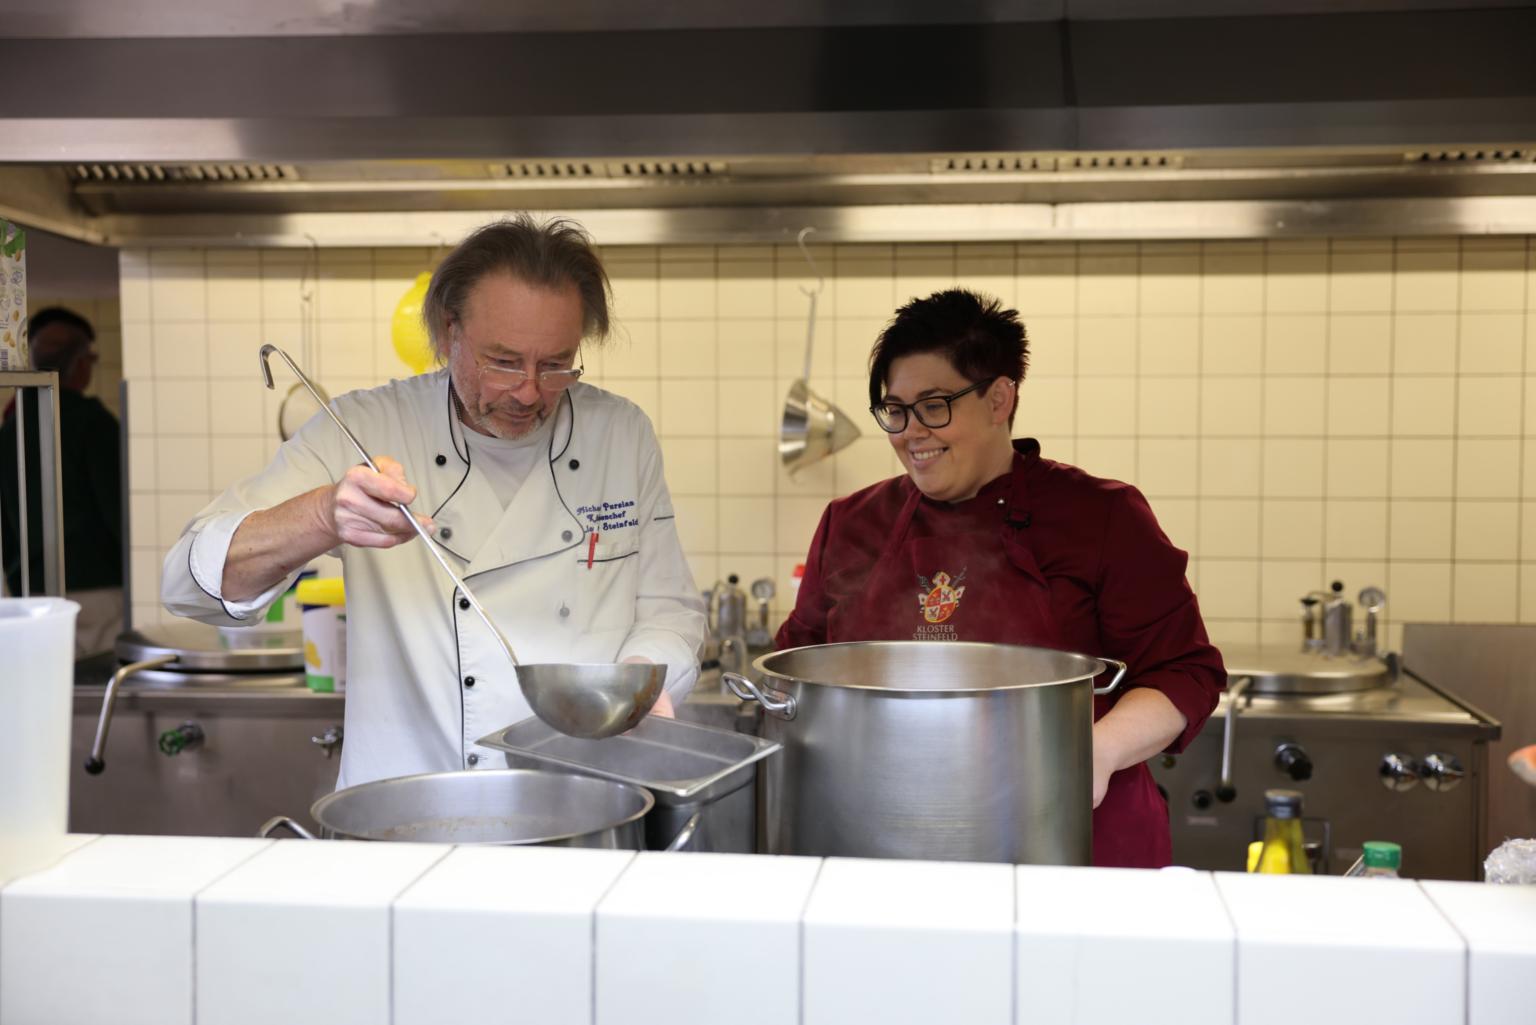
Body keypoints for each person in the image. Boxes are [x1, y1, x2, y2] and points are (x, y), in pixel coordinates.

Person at [162, 216, 705, 788]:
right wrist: (323, 516)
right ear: (450, 336)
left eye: (555, 365)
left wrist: (641, 683)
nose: (528, 391)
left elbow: (669, 610)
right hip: (406, 810)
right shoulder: (365, 427)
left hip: (587, 797)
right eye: (503, 361)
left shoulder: (620, 433)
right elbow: (187, 582)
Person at [775, 288, 1225, 868]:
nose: (911, 432)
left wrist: (1094, 752)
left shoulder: (1101, 516)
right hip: (882, 840)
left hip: (1072, 838)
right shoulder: (853, 523)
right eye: (895, 409)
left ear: (999, 399)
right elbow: (795, 669)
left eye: (935, 405)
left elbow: (1185, 671)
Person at [1, 307, 124, 653]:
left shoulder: (12, 426)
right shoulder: (93, 424)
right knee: (96, 691)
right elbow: (117, 508)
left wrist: (18, 577)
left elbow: (6, 522)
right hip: (99, 588)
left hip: (33, 589)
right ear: (82, 363)